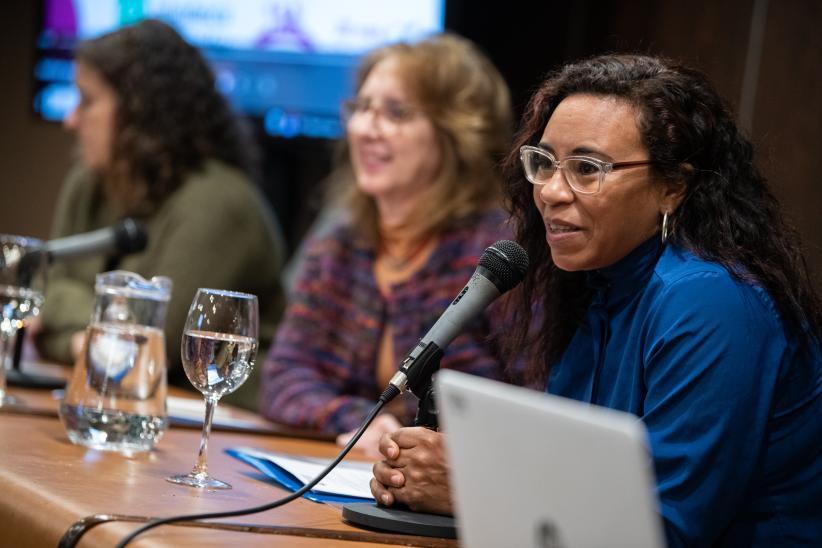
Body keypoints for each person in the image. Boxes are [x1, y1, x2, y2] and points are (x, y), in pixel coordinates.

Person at [370, 54, 822, 546]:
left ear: (673, 186)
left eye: (587, 169)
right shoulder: (597, 282)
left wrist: (471, 486)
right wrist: (446, 469)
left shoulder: (712, 302)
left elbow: (662, 529)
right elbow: (571, 474)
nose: (551, 192)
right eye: (542, 163)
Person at [259, 34, 517, 455]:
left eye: (395, 113)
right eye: (362, 108)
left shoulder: (498, 252)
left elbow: (528, 403)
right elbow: (284, 376)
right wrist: (362, 420)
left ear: (454, 133)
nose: (365, 129)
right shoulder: (340, 244)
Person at [34, 20, 286, 409]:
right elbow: (39, 289)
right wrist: (74, 339)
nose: (70, 120)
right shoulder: (89, 183)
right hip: (117, 404)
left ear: (140, 110)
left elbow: (152, 344)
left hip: (222, 430)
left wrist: (62, 327)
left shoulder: (220, 203)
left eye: (87, 101)